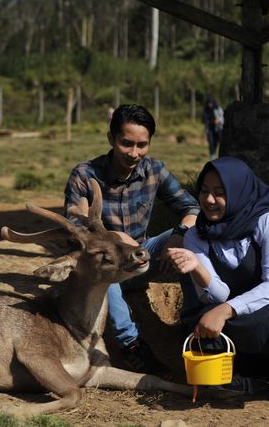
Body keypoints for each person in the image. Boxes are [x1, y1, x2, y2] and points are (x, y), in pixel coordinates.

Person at [165, 157, 269, 416]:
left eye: (220, 193)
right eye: (204, 191)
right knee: (201, 326)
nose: (209, 200)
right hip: (243, 312)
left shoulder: (267, 220)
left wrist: (224, 311)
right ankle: (263, 382)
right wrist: (198, 268)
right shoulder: (196, 235)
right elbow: (218, 294)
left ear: (238, 192)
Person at [64, 104, 200, 377]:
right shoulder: (84, 175)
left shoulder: (155, 171)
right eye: (126, 144)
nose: (134, 153)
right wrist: (114, 239)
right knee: (102, 263)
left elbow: (193, 209)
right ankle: (132, 346)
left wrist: (180, 233)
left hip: (142, 255)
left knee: (194, 241)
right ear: (111, 139)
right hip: (107, 262)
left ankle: (195, 325)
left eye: (142, 145)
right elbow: (75, 233)